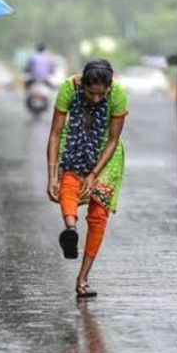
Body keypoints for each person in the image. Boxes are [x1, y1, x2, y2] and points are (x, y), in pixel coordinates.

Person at [45, 59, 127, 298]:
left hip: (106, 154)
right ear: (83, 85)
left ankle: (83, 279)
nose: (96, 99)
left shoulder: (119, 94)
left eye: (102, 95)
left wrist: (93, 174)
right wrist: (51, 175)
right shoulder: (68, 89)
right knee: (67, 186)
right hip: (74, 144)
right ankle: (70, 230)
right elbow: (55, 134)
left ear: (110, 87)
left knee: (99, 215)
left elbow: (112, 140)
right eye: (91, 93)